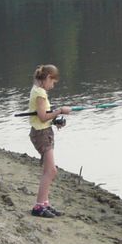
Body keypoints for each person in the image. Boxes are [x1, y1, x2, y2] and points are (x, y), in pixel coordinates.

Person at [28, 64, 71, 218]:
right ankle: (38, 207)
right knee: (51, 171)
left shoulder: (38, 90)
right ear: (47, 78)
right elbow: (42, 117)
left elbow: (44, 117)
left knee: (50, 170)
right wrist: (59, 111)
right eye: (53, 83)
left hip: (44, 131)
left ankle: (44, 203)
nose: (52, 86)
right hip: (41, 134)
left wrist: (55, 121)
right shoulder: (40, 93)